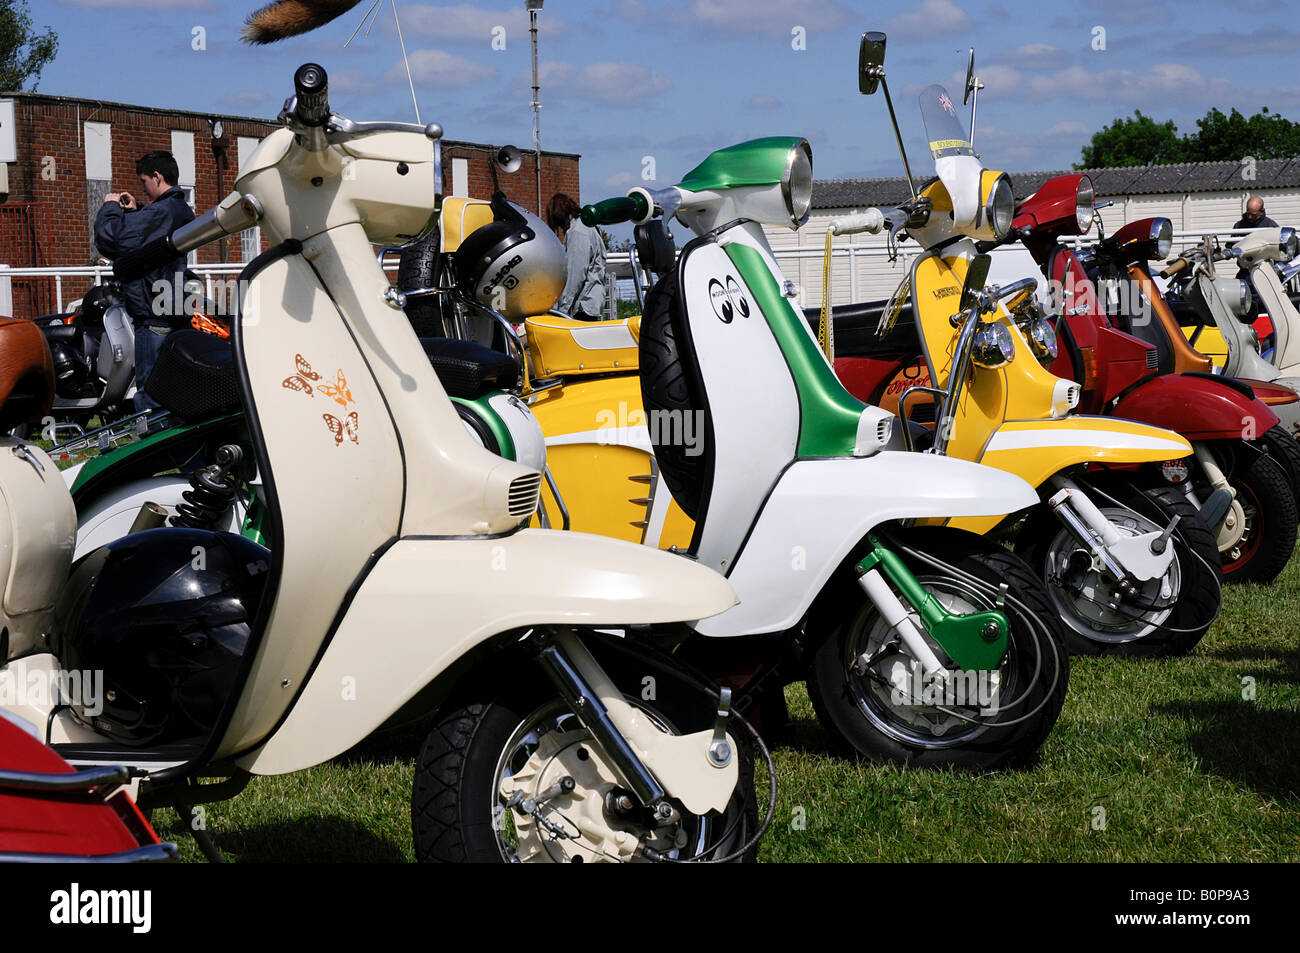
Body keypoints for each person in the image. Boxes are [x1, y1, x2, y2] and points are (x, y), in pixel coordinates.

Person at [94, 150, 197, 411]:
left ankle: (155, 442)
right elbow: (149, 238)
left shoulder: (162, 212)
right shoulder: (180, 208)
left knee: (151, 393)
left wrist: (109, 206)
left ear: (157, 176)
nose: (144, 187)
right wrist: (138, 209)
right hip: (174, 310)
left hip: (154, 316)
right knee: (176, 387)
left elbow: (112, 239)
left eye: (144, 182)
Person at [547, 193, 607, 321]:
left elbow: (576, 274)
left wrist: (560, 311)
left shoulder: (577, 231)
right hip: (590, 302)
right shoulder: (588, 226)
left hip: (583, 305)